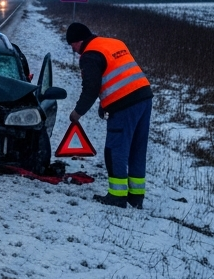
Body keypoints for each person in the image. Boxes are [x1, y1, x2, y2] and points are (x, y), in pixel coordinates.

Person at [65, 22, 152, 209]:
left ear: (78, 41)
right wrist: (104, 103)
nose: (74, 51)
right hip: (144, 97)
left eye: (72, 46)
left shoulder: (89, 55)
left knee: (115, 150)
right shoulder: (113, 43)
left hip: (125, 104)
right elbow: (116, 75)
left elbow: (91, 88)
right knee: (137, 148)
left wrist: (77, 113)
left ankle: (117, 196)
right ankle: (136, 197)